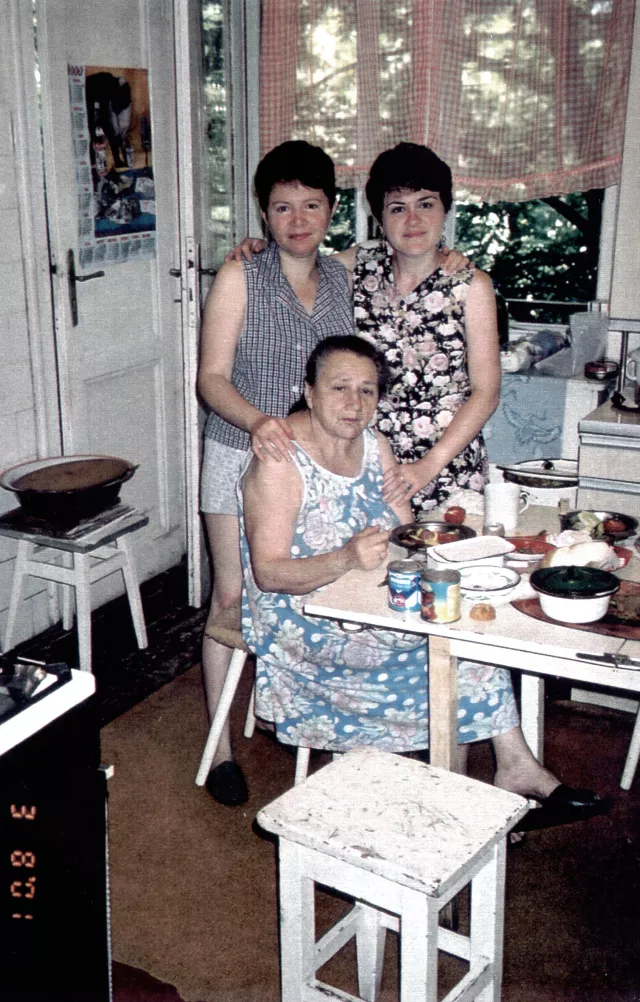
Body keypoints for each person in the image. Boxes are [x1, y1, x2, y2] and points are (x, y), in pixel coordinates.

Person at [239, 336, 607, 830]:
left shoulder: (375, 446)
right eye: (340, 388)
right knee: (451, 649)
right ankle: (449, 816)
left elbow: (405, 536)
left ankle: (513, 768)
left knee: (465, 619)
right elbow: (269, 573)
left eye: (368, 391)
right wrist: (346, 557)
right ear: (309, 392)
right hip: (304, 618)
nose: (355, 404)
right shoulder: (282, 460)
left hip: (365, 596)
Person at [197, 141, 354, 805]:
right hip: (239, 453)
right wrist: (260, 421)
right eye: (283, 206)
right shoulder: (240, 275)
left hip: (313, 464)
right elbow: (210, 377)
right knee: (232, 600)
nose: (297, 218)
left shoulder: (344, 276)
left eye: (311, 205)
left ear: (330, 210)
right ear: (264, 213)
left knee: (305, 593)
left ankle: (302, 717)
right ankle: (221, 747)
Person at [229, 142, 498, 514]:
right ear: (378, 216)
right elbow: (298, 257)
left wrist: (429, 466)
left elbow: (486, 392)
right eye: (397, 208)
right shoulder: (359, 267)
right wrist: (259, 246)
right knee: (372, 566)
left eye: (426, 204)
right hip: (364, 460)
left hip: (445, 465)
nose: (413, 220)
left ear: (446, 208)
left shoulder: (472, 286)